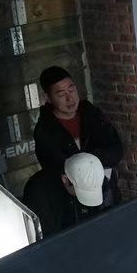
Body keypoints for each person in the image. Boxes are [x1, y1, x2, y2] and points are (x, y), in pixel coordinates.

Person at [33, 65, 124, 205]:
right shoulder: (45, 130)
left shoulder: (92, 115)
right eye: (61, 94)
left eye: (72, 90)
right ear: (48, 98)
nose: (70, 98)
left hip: (106, 191)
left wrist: (85, 161)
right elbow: (54, 169)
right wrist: (90, 165)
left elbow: (116, 151)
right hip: (70, 200)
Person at [22, 151, 116, 237]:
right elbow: (45, 237)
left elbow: (104, 216)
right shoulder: (38, 192)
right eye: (82, 191)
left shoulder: (95, 175)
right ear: (65, 179)